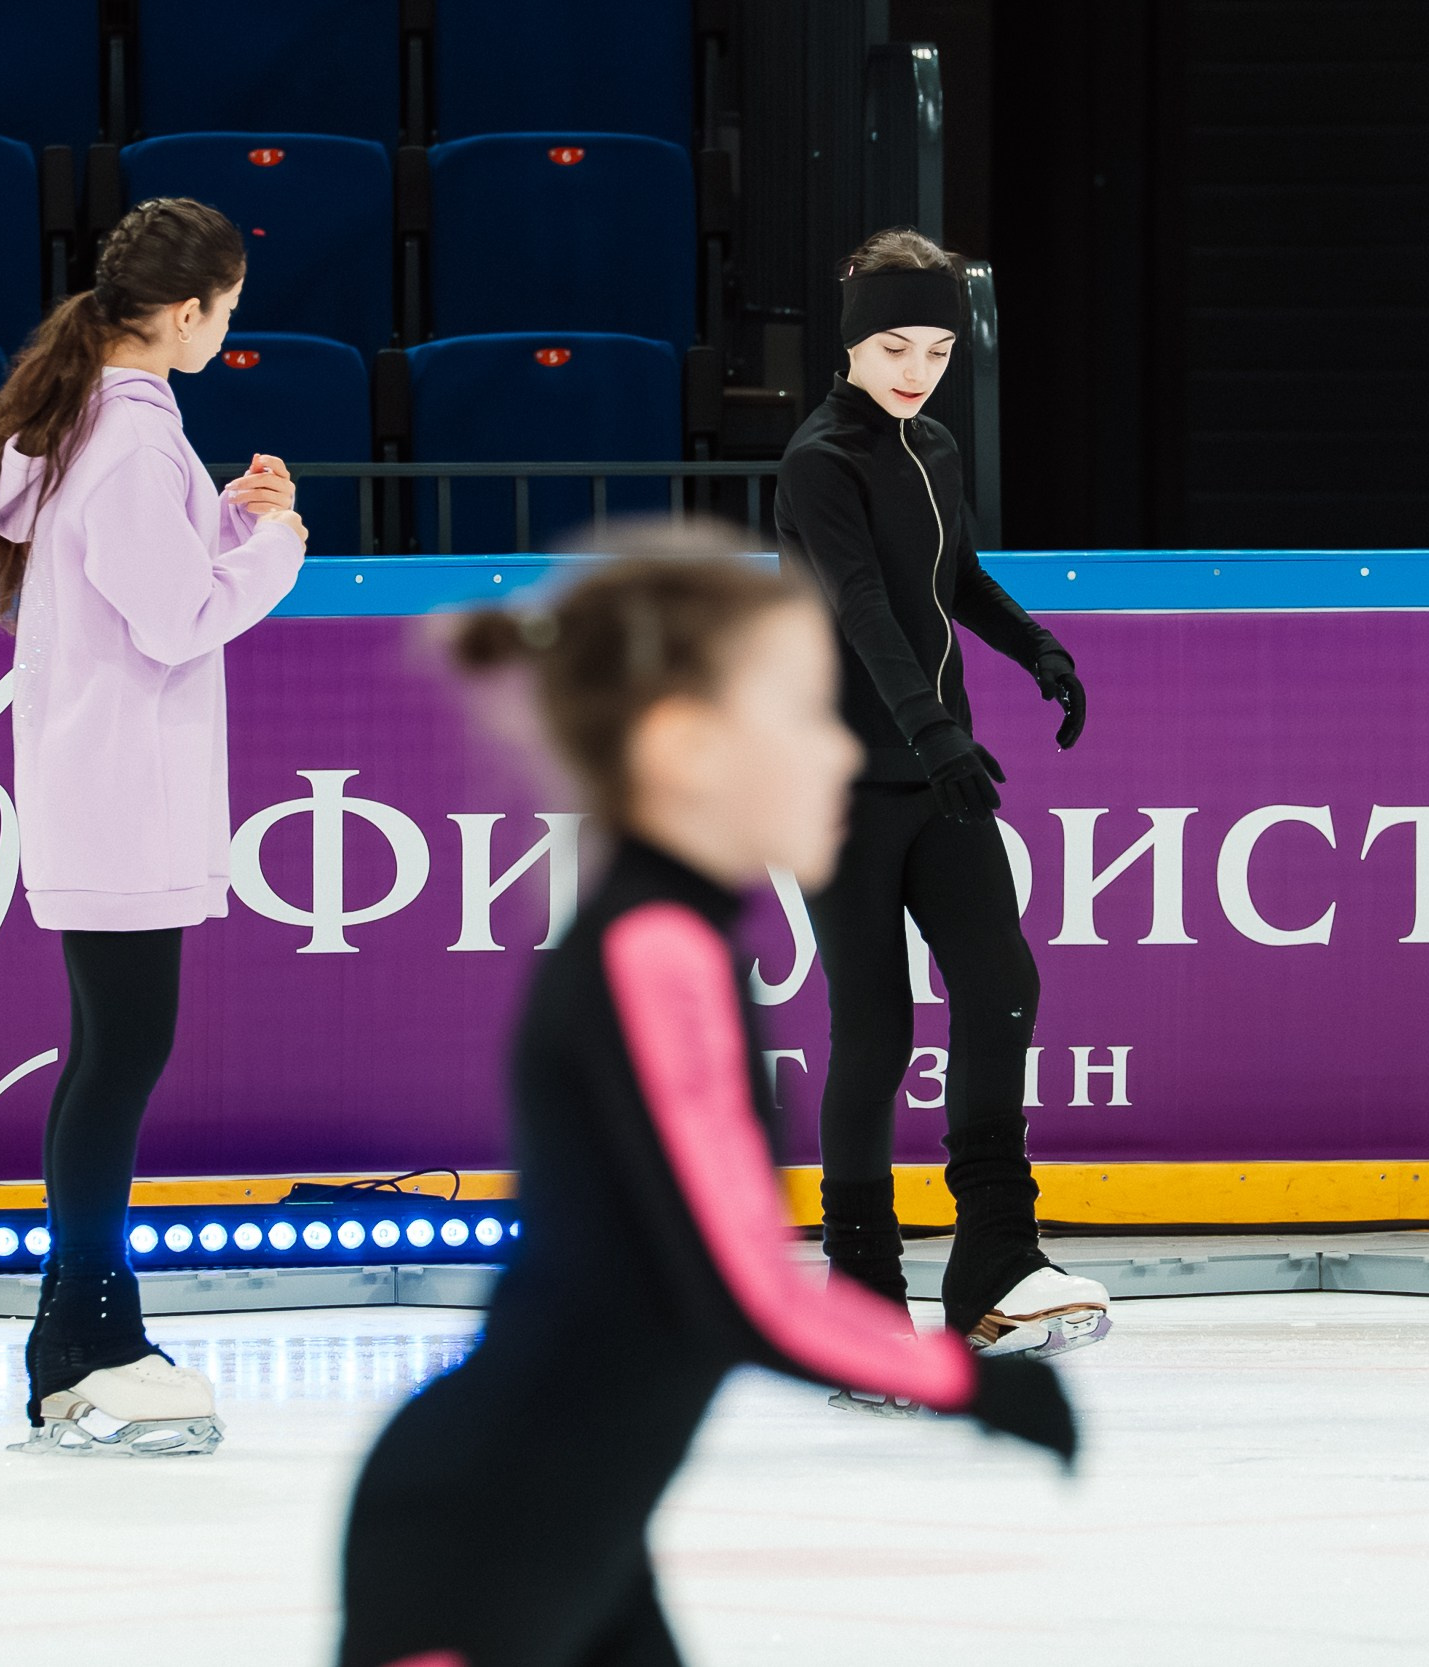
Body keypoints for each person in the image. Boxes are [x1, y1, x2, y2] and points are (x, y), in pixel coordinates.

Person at [336, 542, 1076, 1667]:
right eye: (810, 716)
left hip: (575, 1516)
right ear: (686, 747)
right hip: (489, 1528)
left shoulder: (675, 938)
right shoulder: (654, 949)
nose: (841, 751)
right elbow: (735, 1281)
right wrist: (966, 1379)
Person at [0, 197, 308, 1454]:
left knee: (103, 1060)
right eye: (229, 313)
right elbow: (171, 620)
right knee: (115, 1064)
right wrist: (276, 549)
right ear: (192, 308)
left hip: (89, 783)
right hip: (121, 792)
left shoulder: (92, 418)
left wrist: (225, 517)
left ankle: (84, 1335)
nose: (228, 334)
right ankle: (88, 1339)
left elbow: (127, 570)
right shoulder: (133, 436)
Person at [774, 226, 1108, 1375]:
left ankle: (996, 1261)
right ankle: (859, 1291)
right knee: (872, 1023)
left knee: (1001, 984)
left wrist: (1035, 648)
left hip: (933, 769)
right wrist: (937, 729)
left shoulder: (933, 446)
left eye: (935, 348)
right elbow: (864, 604)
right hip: (840, 786)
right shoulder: (821, 460)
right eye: (894, 346)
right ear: (853, 345)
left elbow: (952, 574)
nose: (916, 369)